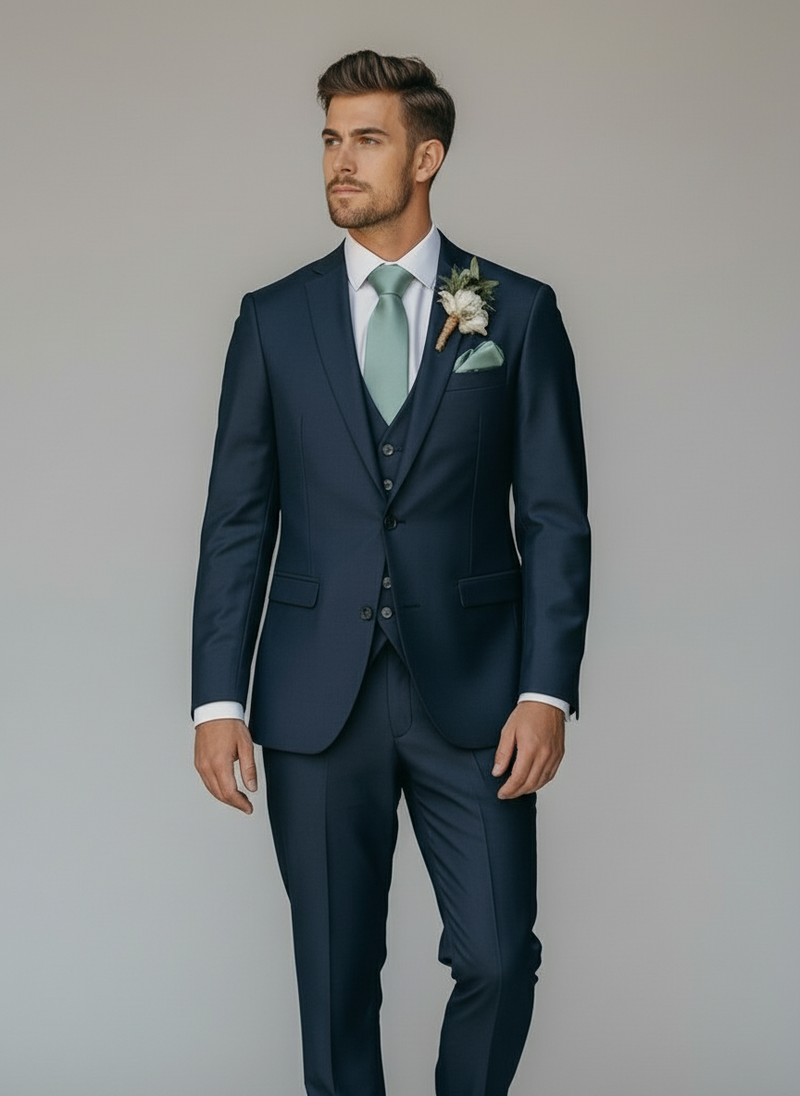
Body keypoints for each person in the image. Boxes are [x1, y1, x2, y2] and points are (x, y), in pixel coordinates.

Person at [191, 49, 590, 1096]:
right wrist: (217, 698)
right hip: (314, 691)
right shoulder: (272, 320)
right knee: (333, 983)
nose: (338, 161)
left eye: (364, 139)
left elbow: (552, 517)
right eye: (329, 137)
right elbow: (236, 521)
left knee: (500, 956)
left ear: (426, 156)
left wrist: (545, 688)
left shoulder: (515, 311)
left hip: (477, 688)